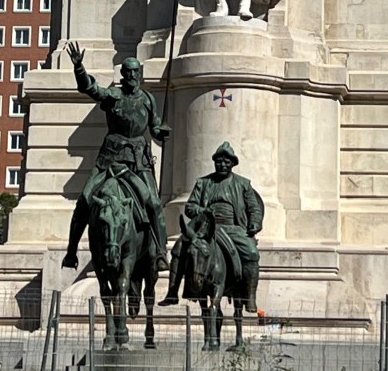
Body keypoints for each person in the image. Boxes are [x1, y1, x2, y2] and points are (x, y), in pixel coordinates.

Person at [61, 43, 170, 270]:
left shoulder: (148, 99)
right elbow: (91, 89)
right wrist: (79, 68)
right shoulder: (113, 95)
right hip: (110, 160)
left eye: (135, 71)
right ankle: (71, 252)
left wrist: (161, 132)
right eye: (128, 72)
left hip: (138, 162)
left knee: (154, 204)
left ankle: (160, 252)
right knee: (85, 200)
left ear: (140, 73)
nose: (132, 75)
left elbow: (154, 127)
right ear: (122, 74)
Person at [159, 142, 263, 313]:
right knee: (179, 248)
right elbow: (190, 207)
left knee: (251, 253)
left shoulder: (243, 184)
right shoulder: (203, 182)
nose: (222, 165)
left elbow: (254, 208)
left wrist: (255, 224)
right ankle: (172, 291)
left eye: (226, 162)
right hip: (205, 227)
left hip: (232, 227)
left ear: (232, 164)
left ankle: (250, 297)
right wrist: (203, 211)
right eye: (219, 162)